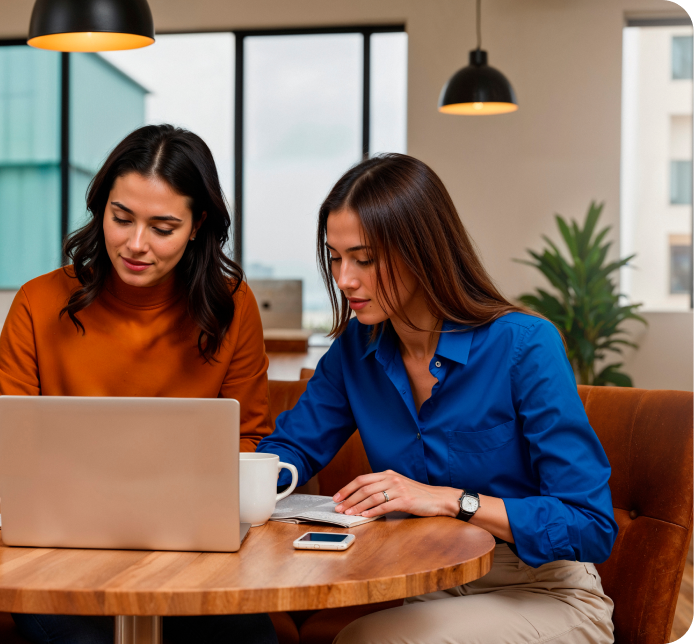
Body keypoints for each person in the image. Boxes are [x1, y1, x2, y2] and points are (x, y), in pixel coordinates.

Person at [257, 153, 617, 644]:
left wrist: (449, 501)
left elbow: (589, 524)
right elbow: (295, 447)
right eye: (335, 257)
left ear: (423, 252)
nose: (344, 279)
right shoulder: (353, 352)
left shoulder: (525, 345)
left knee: (366, 642)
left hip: (541, 592)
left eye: (364, 259)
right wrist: (250, 481)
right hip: (430, 586)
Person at [0, 124, 278, 644]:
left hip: (192, 551)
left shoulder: (232, 306)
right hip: (58, 555)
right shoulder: (39, 302)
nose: (135, 244)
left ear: (198, 225)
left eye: (163, 227)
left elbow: (248, 445)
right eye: (121, 218)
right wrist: (95, 487)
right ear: (100, 209)